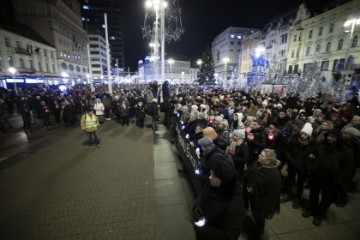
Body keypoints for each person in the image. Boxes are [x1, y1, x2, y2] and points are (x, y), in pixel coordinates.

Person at [302, 128, 353, 226]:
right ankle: (311, 209)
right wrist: (310, 168)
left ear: (338, 138)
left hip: (331, 179)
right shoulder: (320, 145)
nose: (329, 138)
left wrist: (339, 178)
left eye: (333, 137)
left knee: (326, 198)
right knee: (313, 194)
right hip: (317, 174)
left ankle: (320, 215)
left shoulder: (344, 150)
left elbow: (348, 167)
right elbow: (310, 155)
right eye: (328, 136)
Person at [193, 160, 245, 240]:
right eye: (211, 173)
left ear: (223, 180)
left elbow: (230, 236)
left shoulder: (235, 204)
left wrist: (203, 230)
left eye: (214, 176)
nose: (210, 177)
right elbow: (202, 193)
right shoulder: (212, 184)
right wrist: (196, 207)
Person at [243, 148, 281, 238]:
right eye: (260, 154)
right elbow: (251, 172)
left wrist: (265, 208)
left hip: (262, 202)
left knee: (260, 217)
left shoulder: (274, 175)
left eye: (262, 156)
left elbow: (273, 194)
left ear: (267, 162)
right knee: (255, 213)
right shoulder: (258, 163)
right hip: (254, 197)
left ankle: (259, 231)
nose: (259, 156)